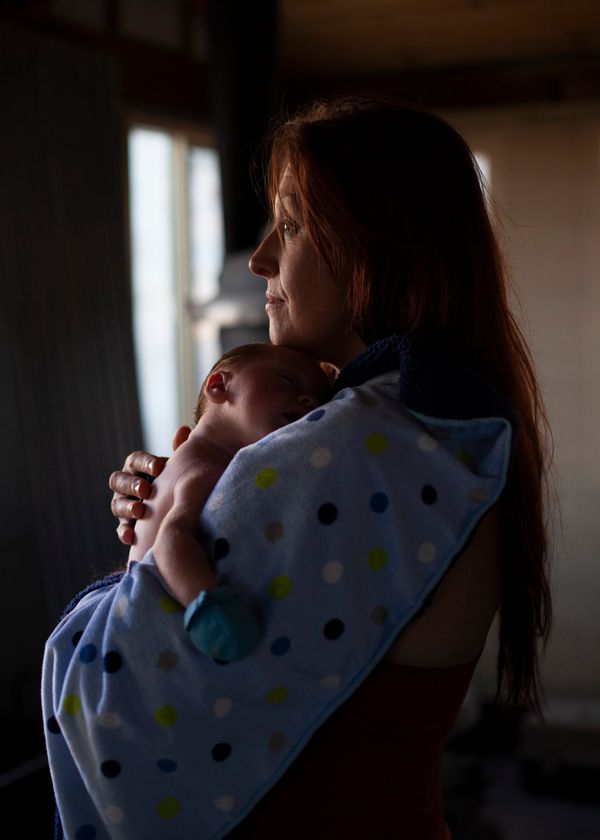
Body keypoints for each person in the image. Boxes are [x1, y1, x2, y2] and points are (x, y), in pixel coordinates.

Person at [44, 96, 552, 840]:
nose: (259, 261)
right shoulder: (417, 432)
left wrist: (126, 582)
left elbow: (130, 682)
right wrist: (173, 505)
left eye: (289, 226)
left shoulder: (376, 445)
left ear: (376, 243)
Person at [129, 341, 331, 661]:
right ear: (219, 386)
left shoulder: (190, 454)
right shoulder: (206, 467)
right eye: (287, 380)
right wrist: (210, 607)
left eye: (319, 400)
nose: (309, 400)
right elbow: (171, 539)